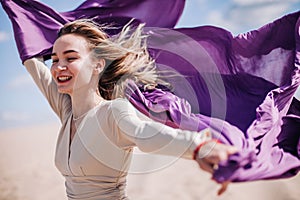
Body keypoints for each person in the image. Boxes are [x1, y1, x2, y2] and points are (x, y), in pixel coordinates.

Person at [23, 19, 238, 199]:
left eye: (70, 58)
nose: (59, 66)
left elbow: (147, 135)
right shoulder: (66, 110)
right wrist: (16, 9)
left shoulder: (112, 112)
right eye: (54, 60)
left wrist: (199, 146)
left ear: (98, 65)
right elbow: (30, 56)